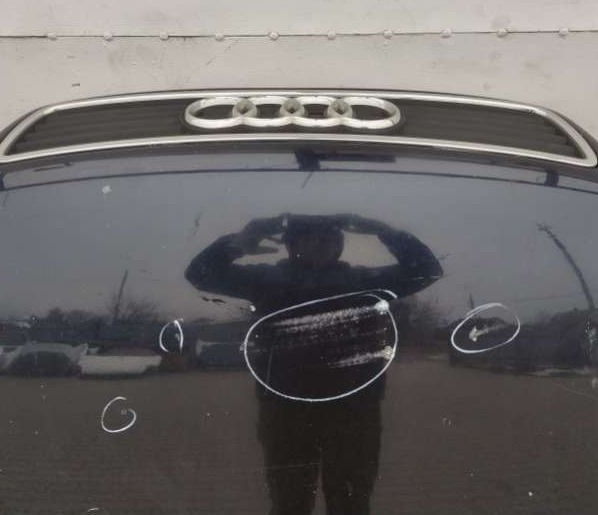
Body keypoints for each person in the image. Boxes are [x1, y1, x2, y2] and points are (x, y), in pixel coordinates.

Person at [186, 213, 442, 515]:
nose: (320, 244)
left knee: (352, 502)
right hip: (285, 408)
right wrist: (240, 242)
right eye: (309, 238)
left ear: (339, 245)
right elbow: (199, 274)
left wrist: (384, 231)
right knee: (289, 502)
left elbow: (428, 271)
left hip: (354, 408)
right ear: (292, 245)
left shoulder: (365, 281)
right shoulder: (265, 279)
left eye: (329, 239)